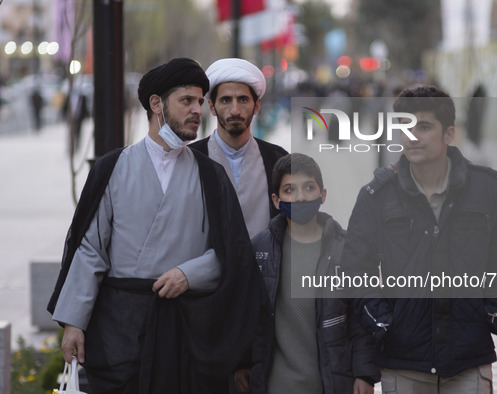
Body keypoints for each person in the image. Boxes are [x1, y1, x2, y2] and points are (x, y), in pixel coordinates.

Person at [47, 57, 268, 393]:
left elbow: (232, 251)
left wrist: (189, 274)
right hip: (121, 326)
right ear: (156, 104)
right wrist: (74, 323)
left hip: (187, 328)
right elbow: (91, 249)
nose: (197, 110)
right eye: (186, 101)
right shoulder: (113, 166)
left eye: (199, 101)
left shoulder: (210, 174)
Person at [342, 85, 497, 393]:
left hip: (469, 360)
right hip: (403, 362)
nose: (412, 136)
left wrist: (492, 313)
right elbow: (356, 270)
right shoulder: (376, 197)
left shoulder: (488, 191)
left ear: (448, 133)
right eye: (405, 126)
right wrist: (384, 323)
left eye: (424, 127)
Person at [245, 153, 380, 394]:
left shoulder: (346, 248)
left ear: (323, 194)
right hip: (275, 386)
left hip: (332, 385)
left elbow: (361, 317)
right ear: (276, 200)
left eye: (309, 187)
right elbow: (248, 317)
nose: (300, 197)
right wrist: (242, 365)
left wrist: (364, 373)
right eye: (290, 190)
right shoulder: (260, 250)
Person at [190, 58, 288, 238]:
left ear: (256, 105)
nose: (235, 110)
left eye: (243, 100)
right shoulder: (190, 159)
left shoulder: (277, 160)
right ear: (212, 107)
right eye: (226, 100)